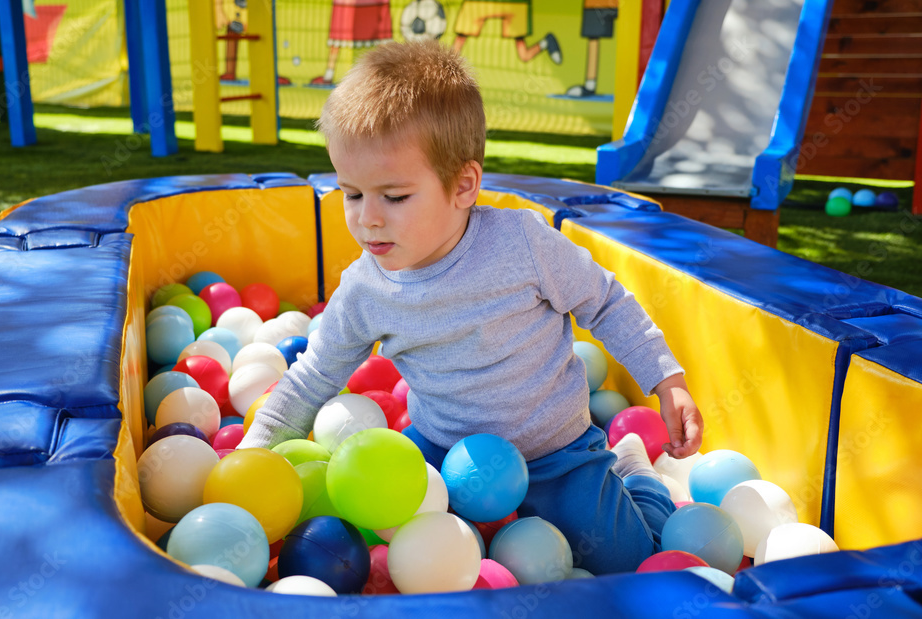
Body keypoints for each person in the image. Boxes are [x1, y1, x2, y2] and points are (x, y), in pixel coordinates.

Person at [237, 40, 704, 575]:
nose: (367, 219)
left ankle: (635, 473)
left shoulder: (522, 245)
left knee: (627, 561)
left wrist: (666, 380)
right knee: (400, 560)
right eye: (351, 194)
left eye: (394, 197)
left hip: (555, 457)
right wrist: (252, 458)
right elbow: (311, 378)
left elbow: (605, 302)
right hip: (443, 459)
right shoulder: (364, 291)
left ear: (463, 185)